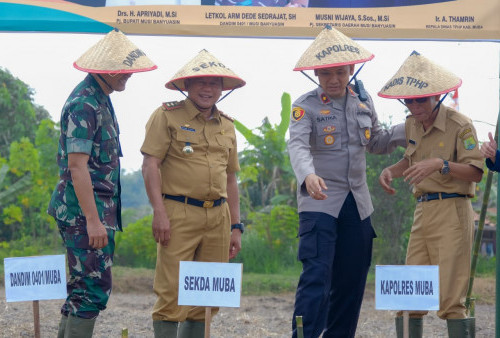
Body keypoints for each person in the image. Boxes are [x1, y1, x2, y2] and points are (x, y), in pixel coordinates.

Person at [287, 25, 406, 338]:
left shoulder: (363, 102)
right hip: (319, 201)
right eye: (326, 74)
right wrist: (308, 174)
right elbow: (297, 145)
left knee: (352, 280)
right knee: (317, 276)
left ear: (351, 69)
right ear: (316, 74)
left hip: (358, 203)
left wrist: (410, 129)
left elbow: (378, 143)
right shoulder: (305, 106)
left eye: (340, 72)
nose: (334, 79)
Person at [47, 28, 156, 338]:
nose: (128, 76)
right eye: (123, 70)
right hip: (84, 215)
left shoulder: (101, 98)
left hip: (93, 213)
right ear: (105, 70)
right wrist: (94, 222)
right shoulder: (85, 103)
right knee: (92, 290)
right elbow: (77, 167)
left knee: (82, 290)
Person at [140, 49, 245, 338]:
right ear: (186, 86)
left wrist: (236, 226)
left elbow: (231, 178)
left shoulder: (227, 125)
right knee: (171, 292)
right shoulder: (166, 116)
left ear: (222, 89)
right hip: (178, 212)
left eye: (214, 83)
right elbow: (150, 165)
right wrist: (159, 212)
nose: (207, 89)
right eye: (200, 82)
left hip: (219, 217)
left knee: (207, 295)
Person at [378, 51, 483, 338]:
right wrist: (391, 170)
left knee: (451, 299)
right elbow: (412, 160)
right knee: (410, 294)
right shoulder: (411, 124)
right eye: (409, 100)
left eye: (421, 99)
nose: (415, 106)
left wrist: (442, 165)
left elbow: (476, 172)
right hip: (422, 211)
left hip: (453, 211)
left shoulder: (461, 125)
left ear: (437, 96)